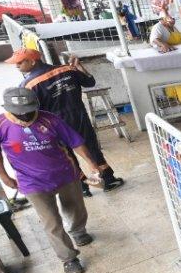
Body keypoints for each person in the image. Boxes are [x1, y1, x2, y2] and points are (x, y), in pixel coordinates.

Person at [0, 88, 98, 273]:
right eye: (19, 112)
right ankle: (69, 259)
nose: (25, 115)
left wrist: (92, 164)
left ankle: (78, 231)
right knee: (51, 222)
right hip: (32, 183)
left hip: (65, 174)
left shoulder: (51, 119)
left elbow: (75, 142)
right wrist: (4, 176)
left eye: (29, 110)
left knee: (75, 207)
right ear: (7, 108)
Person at [10, 48, 122, 195]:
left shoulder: (27, 85)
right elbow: (90, 82)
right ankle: (108, 180)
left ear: (32, 61)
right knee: (91, 147)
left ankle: (82, 188)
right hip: (79, 115)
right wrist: (80, 67)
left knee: (67, 155)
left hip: (54, 123)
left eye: (19, 62)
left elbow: (30, 112)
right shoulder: (68, 69)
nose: (16, 66)